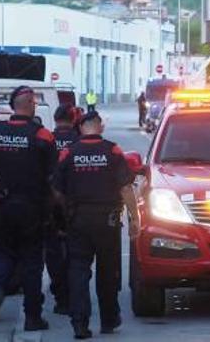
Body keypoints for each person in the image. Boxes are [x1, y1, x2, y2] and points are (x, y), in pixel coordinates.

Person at [54, 111, 141, 339]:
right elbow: (126, 188)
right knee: (108, 271)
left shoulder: (68, 153)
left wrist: (65, 215)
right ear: (100, 127)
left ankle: (80, 324)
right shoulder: (112, 150)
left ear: (81, 128)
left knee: (78, 271)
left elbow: (57, 190)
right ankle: (109, 320)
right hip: (108, 221)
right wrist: (135, 218)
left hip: (78, 220)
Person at [0, 86, 58, 331]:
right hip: (32, 208)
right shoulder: (42, 135)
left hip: (3, 205)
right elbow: (53, 178)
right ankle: (33, 317)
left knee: (4, 254)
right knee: (32, 263)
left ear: (14, 106)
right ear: (31, 104)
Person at [46, 104, 80, 316]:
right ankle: (75, 295)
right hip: (75, 205)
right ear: (73, 119)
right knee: (77, 254)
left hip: (49, 203)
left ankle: (61, 298)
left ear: (56, 119)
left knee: (53, 253)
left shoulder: (47, 139)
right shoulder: (79, 141)